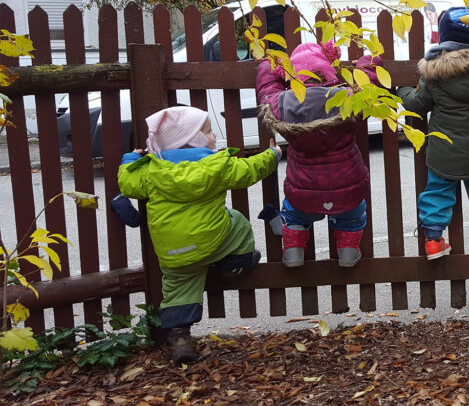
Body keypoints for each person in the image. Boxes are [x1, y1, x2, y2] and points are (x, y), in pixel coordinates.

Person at [117, 106, 280, 364]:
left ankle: (180, 338)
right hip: (213, 241)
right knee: (237, 222)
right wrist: (272, 154)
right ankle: (235, 264)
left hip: (172, 251)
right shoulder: (217, 165)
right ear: (193, 140)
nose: (214, 136)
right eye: (209, 132)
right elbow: (250, 170)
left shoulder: (150, 172)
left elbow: (126, 183)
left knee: (176, 288)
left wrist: (129, 159)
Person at [396, 7, 469, 259]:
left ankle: (434, 241)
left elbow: (417, 104)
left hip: (444, 151)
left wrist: (403, 89)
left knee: (437, 191)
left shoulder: (436, 73)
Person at [255, 42, 373, 268]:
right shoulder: (345, 98)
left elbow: (267, 90)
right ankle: (348, 253)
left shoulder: (283, 104)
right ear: (328, 71)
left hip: (303, 189)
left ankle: (293, 254)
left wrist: (268, 66)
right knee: (353, 214)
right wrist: (369, 64)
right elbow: (369, 86)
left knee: (294, 215)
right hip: (348, 186)